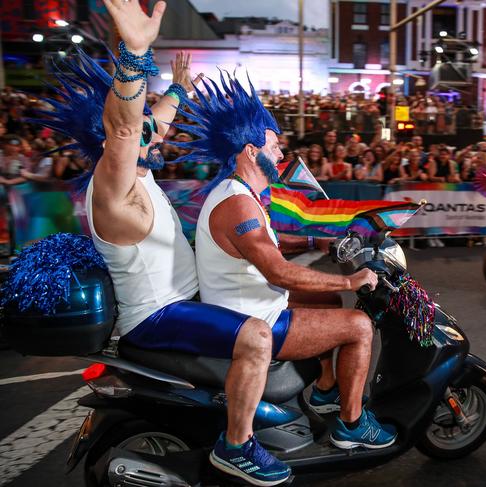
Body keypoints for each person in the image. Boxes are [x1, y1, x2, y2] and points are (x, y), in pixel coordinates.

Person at [35, 3, 292, 486]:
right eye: (146, 126)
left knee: (269, 302)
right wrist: (134, 54)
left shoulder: (141, 171)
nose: (160, 127)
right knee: (257, 334)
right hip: (157, 316)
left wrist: (177, 87)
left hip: (181, 302)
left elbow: (149, 122)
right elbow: (129, 126)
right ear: (115, 142)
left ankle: (251, 401)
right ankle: (235, 447)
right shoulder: (115, 186)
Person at [176, 73, 397, 478]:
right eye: (275, 147)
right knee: (359, 325)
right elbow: (277, 270)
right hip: (252, 318)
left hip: (252, 302)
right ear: (249, 151)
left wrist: (319, 244)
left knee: (327, 302)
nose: (280, 155)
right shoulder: (237, 204)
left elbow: (262, 248)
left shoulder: (241, 195)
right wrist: (350, 281)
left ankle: (328, 390)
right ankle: (351, 424)